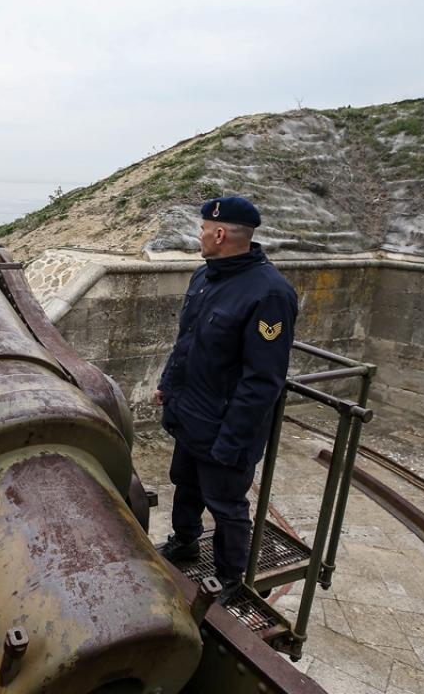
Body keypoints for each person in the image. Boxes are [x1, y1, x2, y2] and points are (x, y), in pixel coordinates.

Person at [153, 196, 298, 597]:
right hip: (192, 413)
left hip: (225, 427)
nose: (199, 235)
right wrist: (168, 385)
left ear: (219, 234)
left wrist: (232, 440)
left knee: (226, 503)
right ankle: (185, 542)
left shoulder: (269, 294)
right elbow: (186, 342)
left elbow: (263, 380)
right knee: (186, 484)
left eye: (202, 229)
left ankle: (232, 576)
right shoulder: (205, 276)